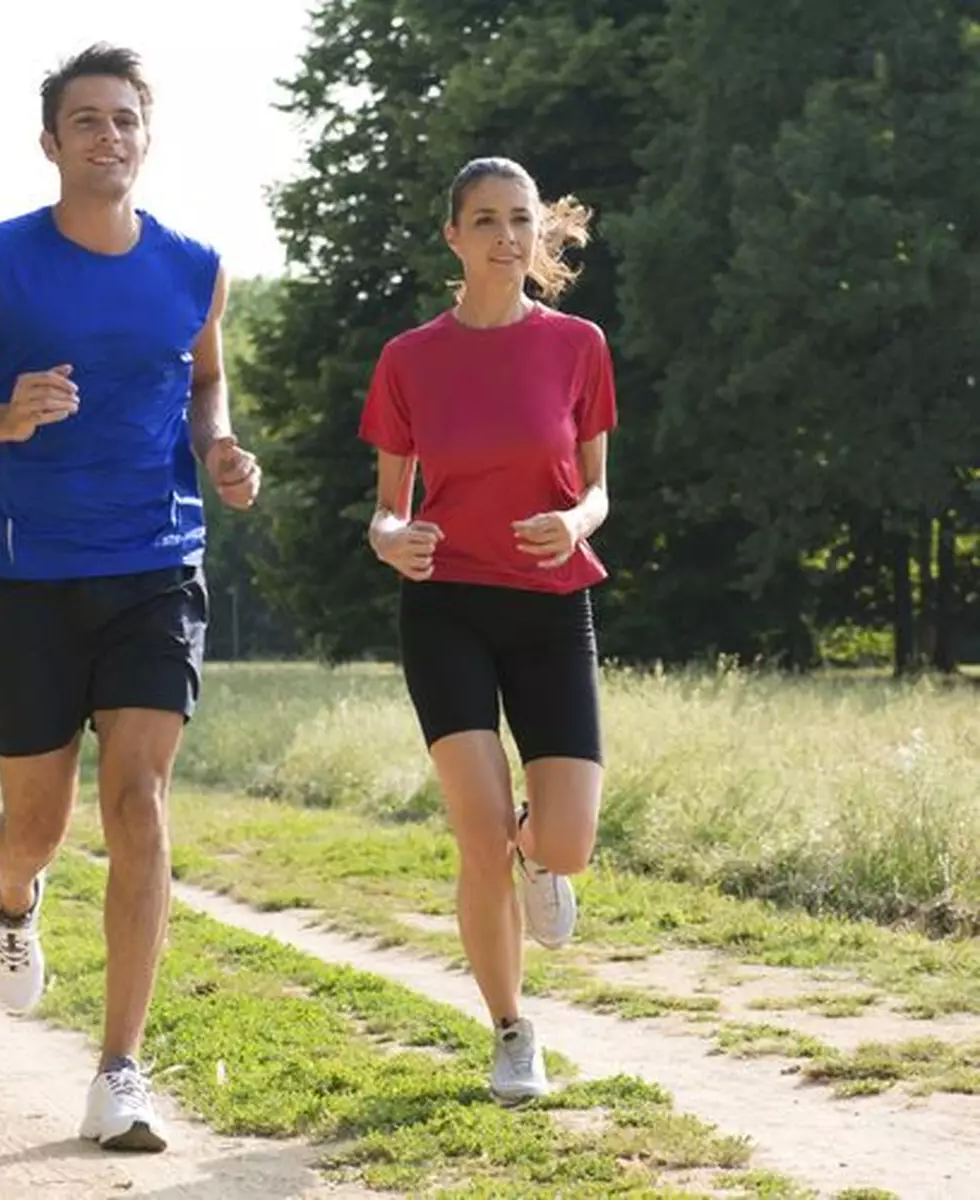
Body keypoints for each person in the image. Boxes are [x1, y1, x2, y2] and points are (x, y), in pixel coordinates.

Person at [0, 44, 260, 1151]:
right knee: (37, 827)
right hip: (28, 573)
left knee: (139, 801)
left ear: (147, 137)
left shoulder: (196, 266)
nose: (108, 135)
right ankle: (12, 901)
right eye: (86, 120)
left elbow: (203, 379)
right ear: (51, 141)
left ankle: (120, 1071)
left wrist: (222, 445)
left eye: (125, 119)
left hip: (157, 563)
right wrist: (1, 417)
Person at [357, 156, 617, 1104]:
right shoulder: (409, 359)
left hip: (552, 602)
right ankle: (512, 1031)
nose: (507, 235)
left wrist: (577, 523)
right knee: (477, 833)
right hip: (448, 606)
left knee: (569, 843)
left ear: (539, 232)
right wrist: (394, 540)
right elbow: (386, 508)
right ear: (454, 237)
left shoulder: (579, 345)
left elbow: (595, 488)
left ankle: (541, 854)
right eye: (486, 220)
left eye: (521, 219)